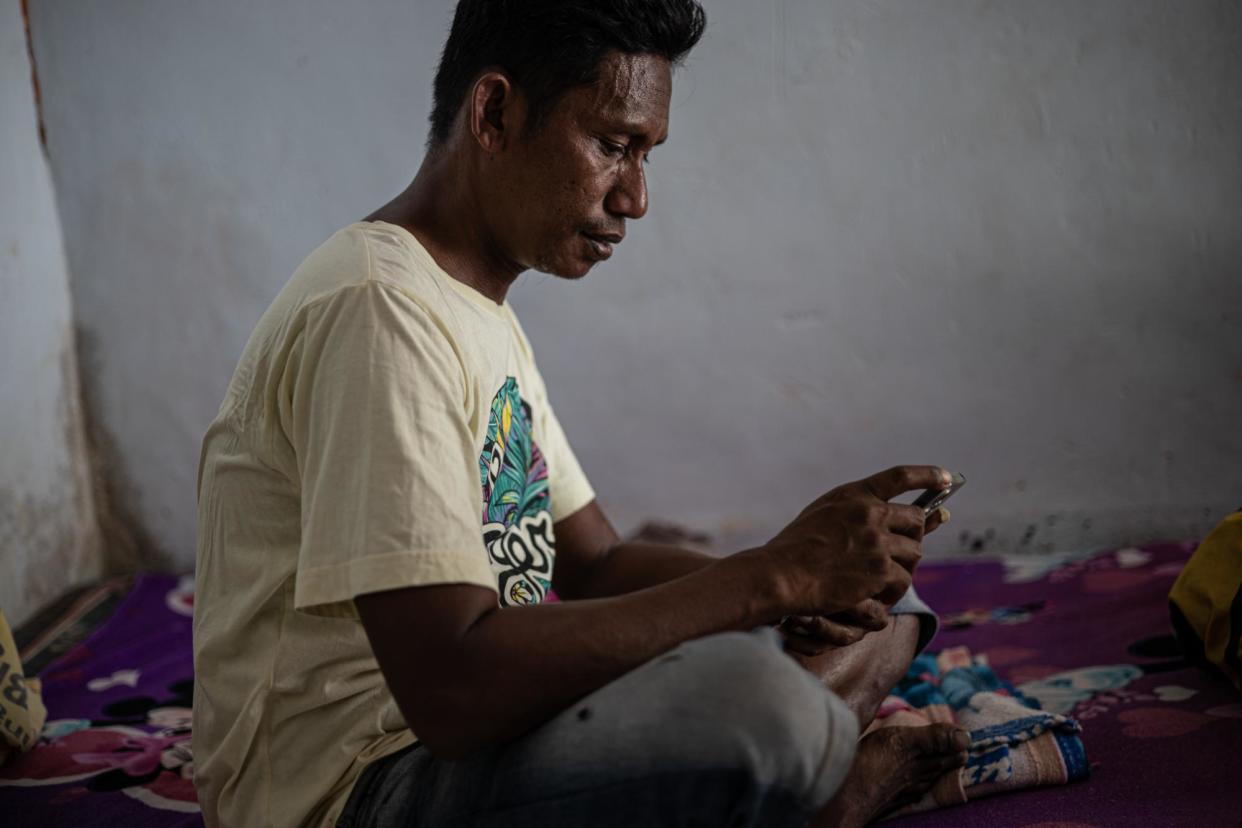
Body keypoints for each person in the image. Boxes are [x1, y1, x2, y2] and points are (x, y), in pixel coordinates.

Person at [192, 2, 969, 826]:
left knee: (884, 607)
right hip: (358, 786)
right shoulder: (378, 309)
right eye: (612, 145)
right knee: (760, 709)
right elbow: (450, 694)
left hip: (485, 731)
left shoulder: (479, 312)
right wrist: (767, 582)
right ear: (494, 113)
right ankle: (819, 796)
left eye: (646, 155)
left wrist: (802, 582)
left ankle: (791, 779)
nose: (634, 197)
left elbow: (593, 564)